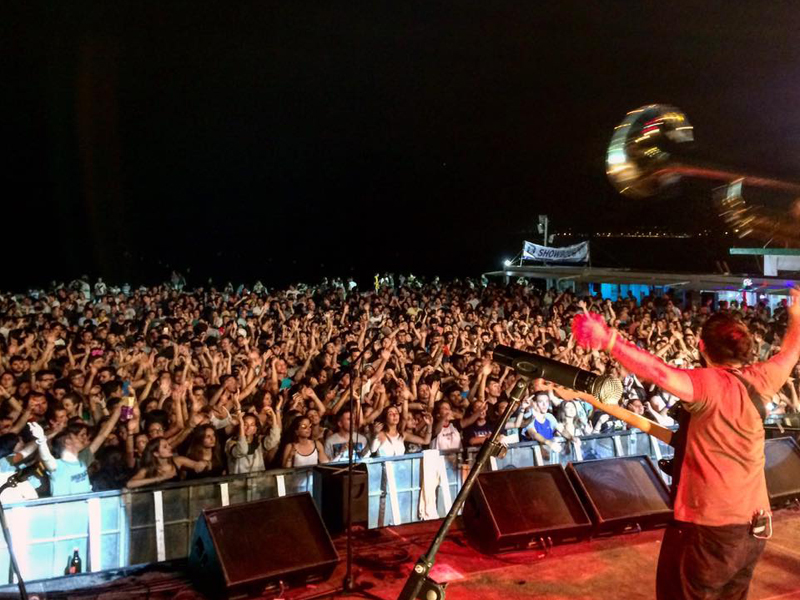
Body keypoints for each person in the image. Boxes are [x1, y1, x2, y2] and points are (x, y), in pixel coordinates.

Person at [572, 287, 800, 600]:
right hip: (754, 527)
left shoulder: (705, 385)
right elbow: (791, 351)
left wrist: (608, 339)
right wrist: (797, 317)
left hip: (708, 530)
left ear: (702, 346)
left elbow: (657, 371)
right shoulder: (763, 379)